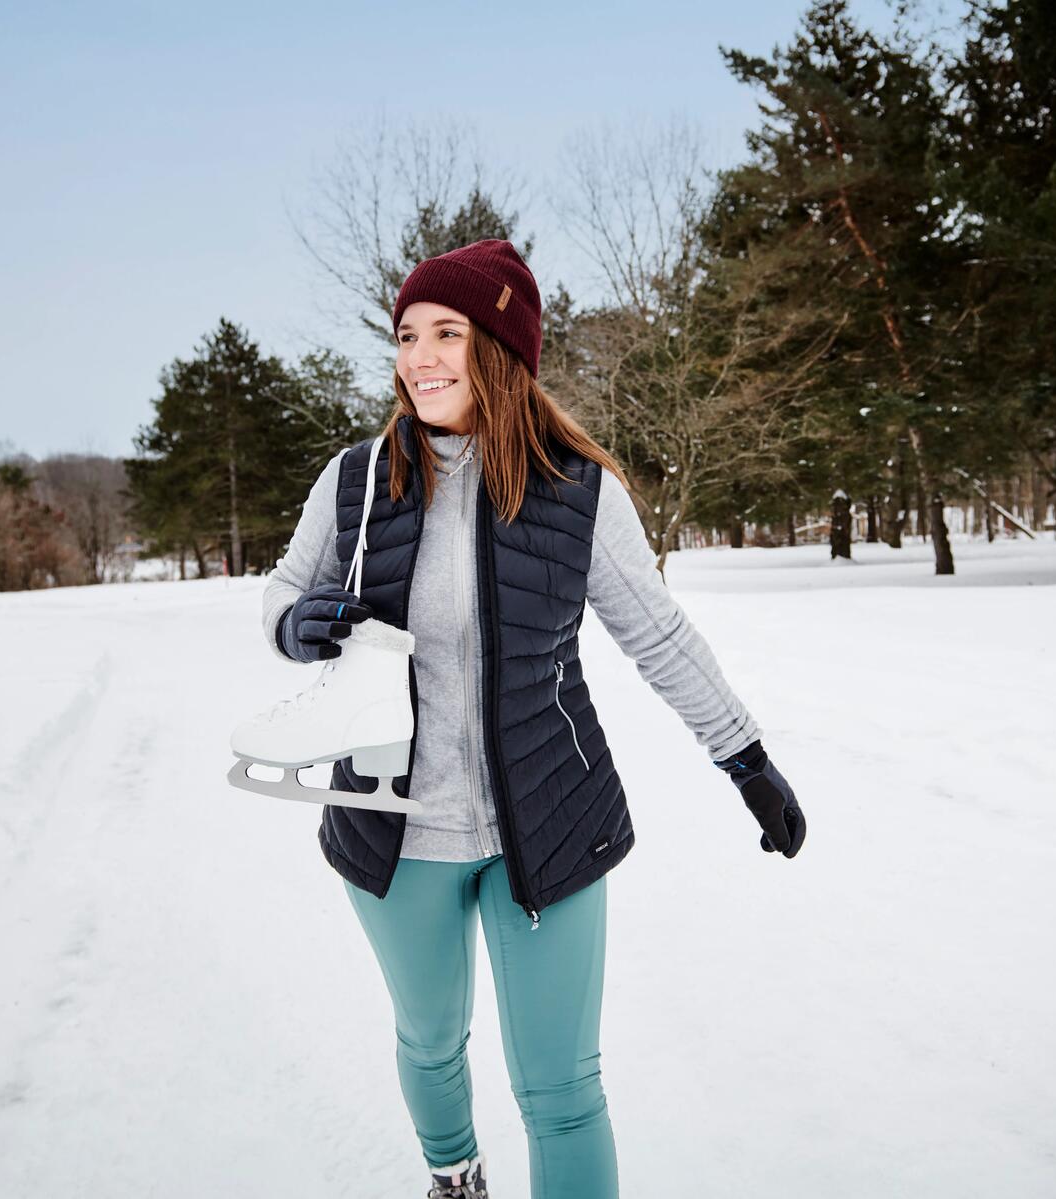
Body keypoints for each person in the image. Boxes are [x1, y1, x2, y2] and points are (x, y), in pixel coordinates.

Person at [260, 239, 806, 1199]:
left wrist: (746, 757)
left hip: (548, 821)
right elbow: (281, 594)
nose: (420, 357)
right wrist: (295, 625)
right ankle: (455, 1175)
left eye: (447, 334)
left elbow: (661, 636)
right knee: (430, 1038)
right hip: (395, 825)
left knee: (561, 1087)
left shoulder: (576, 488)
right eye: (407, 335)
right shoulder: (354, 479)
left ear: (501, 349)